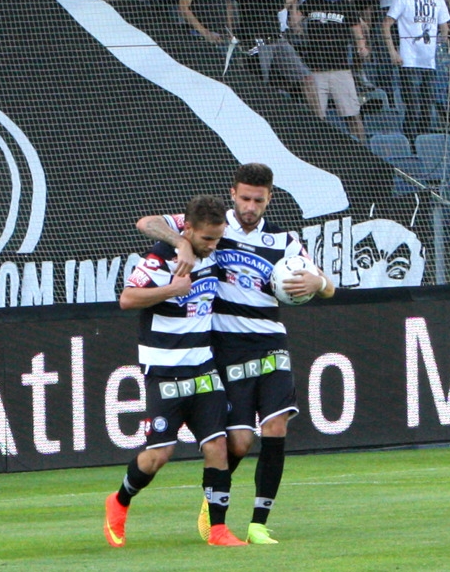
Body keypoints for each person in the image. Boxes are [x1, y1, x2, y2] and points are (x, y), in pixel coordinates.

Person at [136, 163, 336, 545]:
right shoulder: (213, 229)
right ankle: (215, 499)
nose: (250, 206)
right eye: (244, 198)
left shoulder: (285, 242)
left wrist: (319, 281)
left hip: (271, 341)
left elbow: (328, 287)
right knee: (240, 442)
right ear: (233, 194)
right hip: (227, 347)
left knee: (276, 426)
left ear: (269, 199)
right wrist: (180, 242)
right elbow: (147, 222)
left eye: (258, 200)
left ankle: (258, 524)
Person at [104, 195, 246, 548]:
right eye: (206, 240)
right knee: (158, 456)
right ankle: (119, 501)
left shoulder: (207, 242)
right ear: (187, 229)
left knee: (217, 446)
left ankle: (218, 531)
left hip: (203, 365)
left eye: (217, 238)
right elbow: (127, 299)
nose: (213, 246)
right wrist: (172, 288)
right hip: (165, 371)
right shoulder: (160, 260)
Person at [231, 0, 320, 113]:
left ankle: (320, 124)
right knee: (256, 87)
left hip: (275, 35)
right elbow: (276, 3)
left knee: (306, 78)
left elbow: (271, 0)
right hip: (257, 38)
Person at [292, 0, 369, 141]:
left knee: (352, 114)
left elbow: (358, 32)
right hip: (315, 70)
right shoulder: (310, 2)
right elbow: (294, 23)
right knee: (316, 118)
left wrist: (362, 46)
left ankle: (363, 151)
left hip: (340, 69)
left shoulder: (346, 5)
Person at [383, 0, 450, 138]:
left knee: (427, 107)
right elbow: (387, 24)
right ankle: (411, 144)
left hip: (429, 60)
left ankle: (424, 144)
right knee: (413, 106)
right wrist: (393, 51)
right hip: (409, 59)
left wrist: (442, 45)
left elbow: (445, 26)